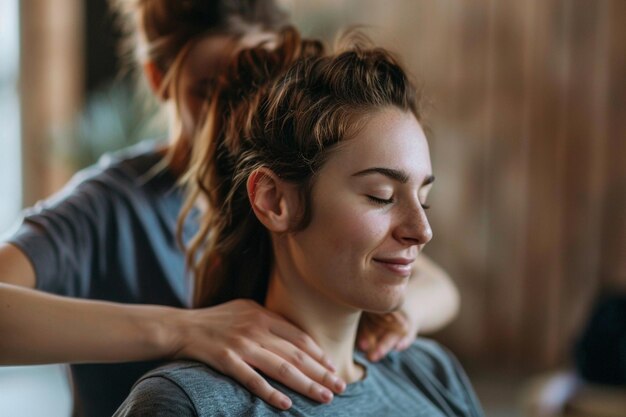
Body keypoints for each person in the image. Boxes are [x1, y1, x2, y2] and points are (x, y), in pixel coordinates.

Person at [0, 1, 459, 416]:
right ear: (162, 79)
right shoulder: (109, 206)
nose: (236, 111)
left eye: (257, 83)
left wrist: (382, 322)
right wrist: (183, 330)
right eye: (211, 89)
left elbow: (430, 281)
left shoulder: (306, 190)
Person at [114, 26, 482, 416]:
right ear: (274, 201)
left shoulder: (431, 372)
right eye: (381, 196)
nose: (421, 231)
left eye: (423, 200)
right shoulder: (188, 404)